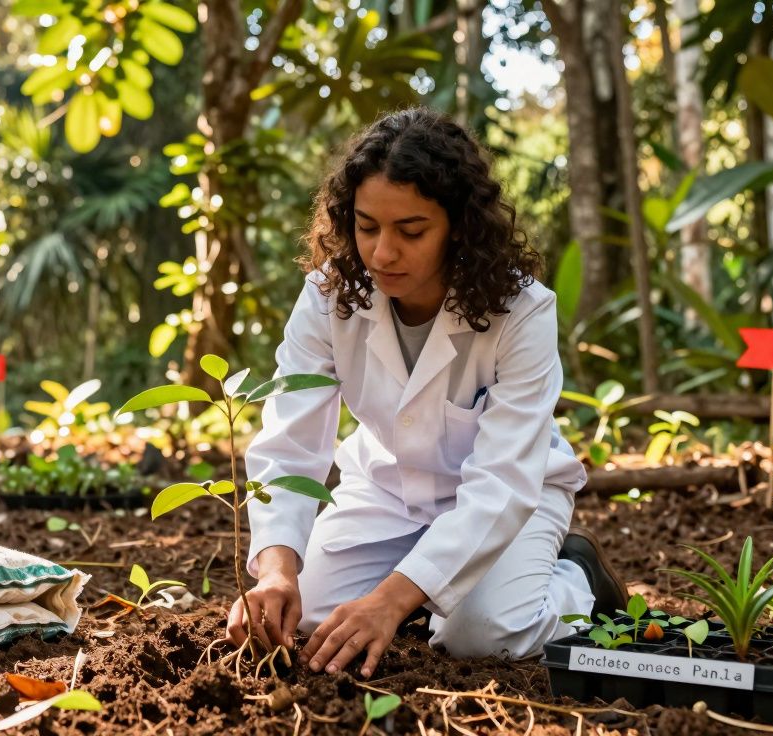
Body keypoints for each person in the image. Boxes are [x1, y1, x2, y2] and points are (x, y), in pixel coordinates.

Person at [224, 107, 627, 679]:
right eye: (366, 227)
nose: (382, 253)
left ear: (459, 225)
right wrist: (275, 570)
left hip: (510, 500)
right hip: (386, 491)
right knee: (307, 618)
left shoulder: (521, 312)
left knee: (479, 636)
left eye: (410, 231)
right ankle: (419, 594)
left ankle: (576, 579)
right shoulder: (327, 296)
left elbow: (503, 482)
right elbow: (290, 441)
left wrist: (390, 602)